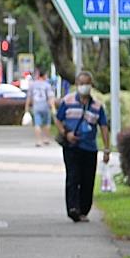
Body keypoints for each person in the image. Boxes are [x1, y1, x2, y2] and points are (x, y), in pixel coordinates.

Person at [53, 71, 111, 222]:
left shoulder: (97, 106)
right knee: (73, 177)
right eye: (81, 83)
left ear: (91, 85)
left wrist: (106, 148)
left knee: (87, 180)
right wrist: (66, 133)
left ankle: (83, 210)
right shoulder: (68, 101)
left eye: (87, 83)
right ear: (77, 85)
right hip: (72, 147)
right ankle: (73, 208)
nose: (84, 86)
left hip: (89, 148)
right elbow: (58, 119)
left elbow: (104, 127)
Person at [26, 71, 56, 146]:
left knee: (37, 124)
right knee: (46, 123)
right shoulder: (47, 85)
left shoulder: (33, 85)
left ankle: (38, 141)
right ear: (44, 76)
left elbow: (29, 97)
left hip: (36, 106)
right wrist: (53, 108)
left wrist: (27, 108)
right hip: (45, 106)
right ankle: (46, 138)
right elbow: (50, 97)